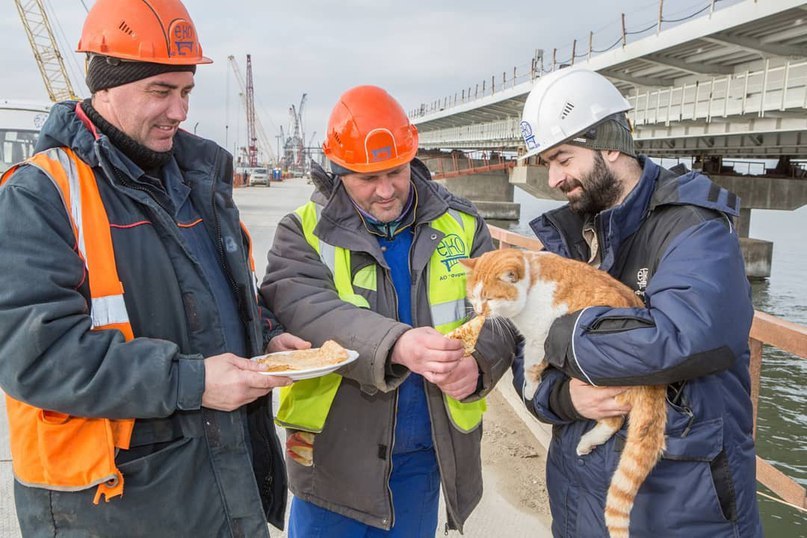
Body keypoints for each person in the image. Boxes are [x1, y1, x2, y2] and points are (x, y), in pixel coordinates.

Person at [0, 0, 305, 535]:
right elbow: (34, 354)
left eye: (186, 91)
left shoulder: (198, 179)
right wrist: (191, 380)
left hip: (220, 484)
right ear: (104, 88)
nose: (180, 111)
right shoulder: (40, 194)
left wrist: (268, 338)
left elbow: (221, 298)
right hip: (113, 505)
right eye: (160, 91)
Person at [260, 85, 521, 537]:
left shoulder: (461, 222)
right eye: (367, 178)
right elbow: (307, 307)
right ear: (339, 172)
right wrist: (397, 344)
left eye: (395, 172)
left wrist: (479, 367)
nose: (386, 191)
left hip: (424, 456)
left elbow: (504, 312)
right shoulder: (302, 231)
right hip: (333, 460)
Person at [516, 68, 763, 537]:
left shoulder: (695, 227)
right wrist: (565, 397)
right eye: (547, 162)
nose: (553, 178)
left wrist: (559, 336)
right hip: (581, 506)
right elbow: (521, 359)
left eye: (563, 158)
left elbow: (684, 338)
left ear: (609, 144)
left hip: (682, 511)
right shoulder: (569, 236)